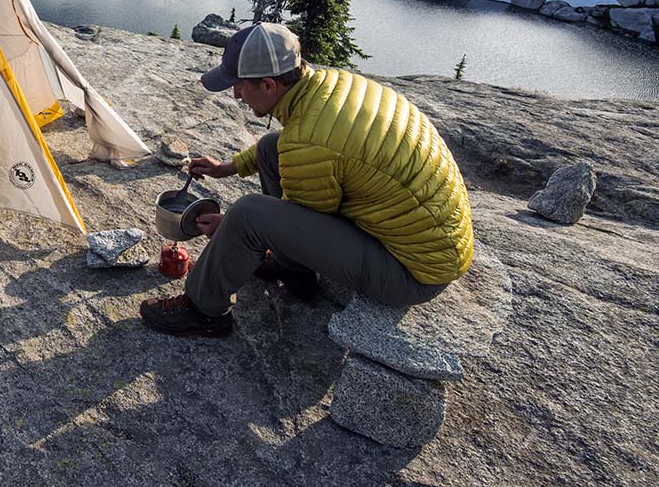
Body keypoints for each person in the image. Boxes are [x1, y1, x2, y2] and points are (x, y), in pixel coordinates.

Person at [139, 22, 473, 337]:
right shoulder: (329, 87)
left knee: (248, 213)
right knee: (271, 147)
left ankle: (203, 311)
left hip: (410, 272)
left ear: (268, 85)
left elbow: (304, 194)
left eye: (239, 85)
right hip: (422, 240)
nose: (237, 95)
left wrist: (231, 229)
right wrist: (229, 167)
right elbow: (291, 151)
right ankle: (290, 268)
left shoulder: (310, 141)